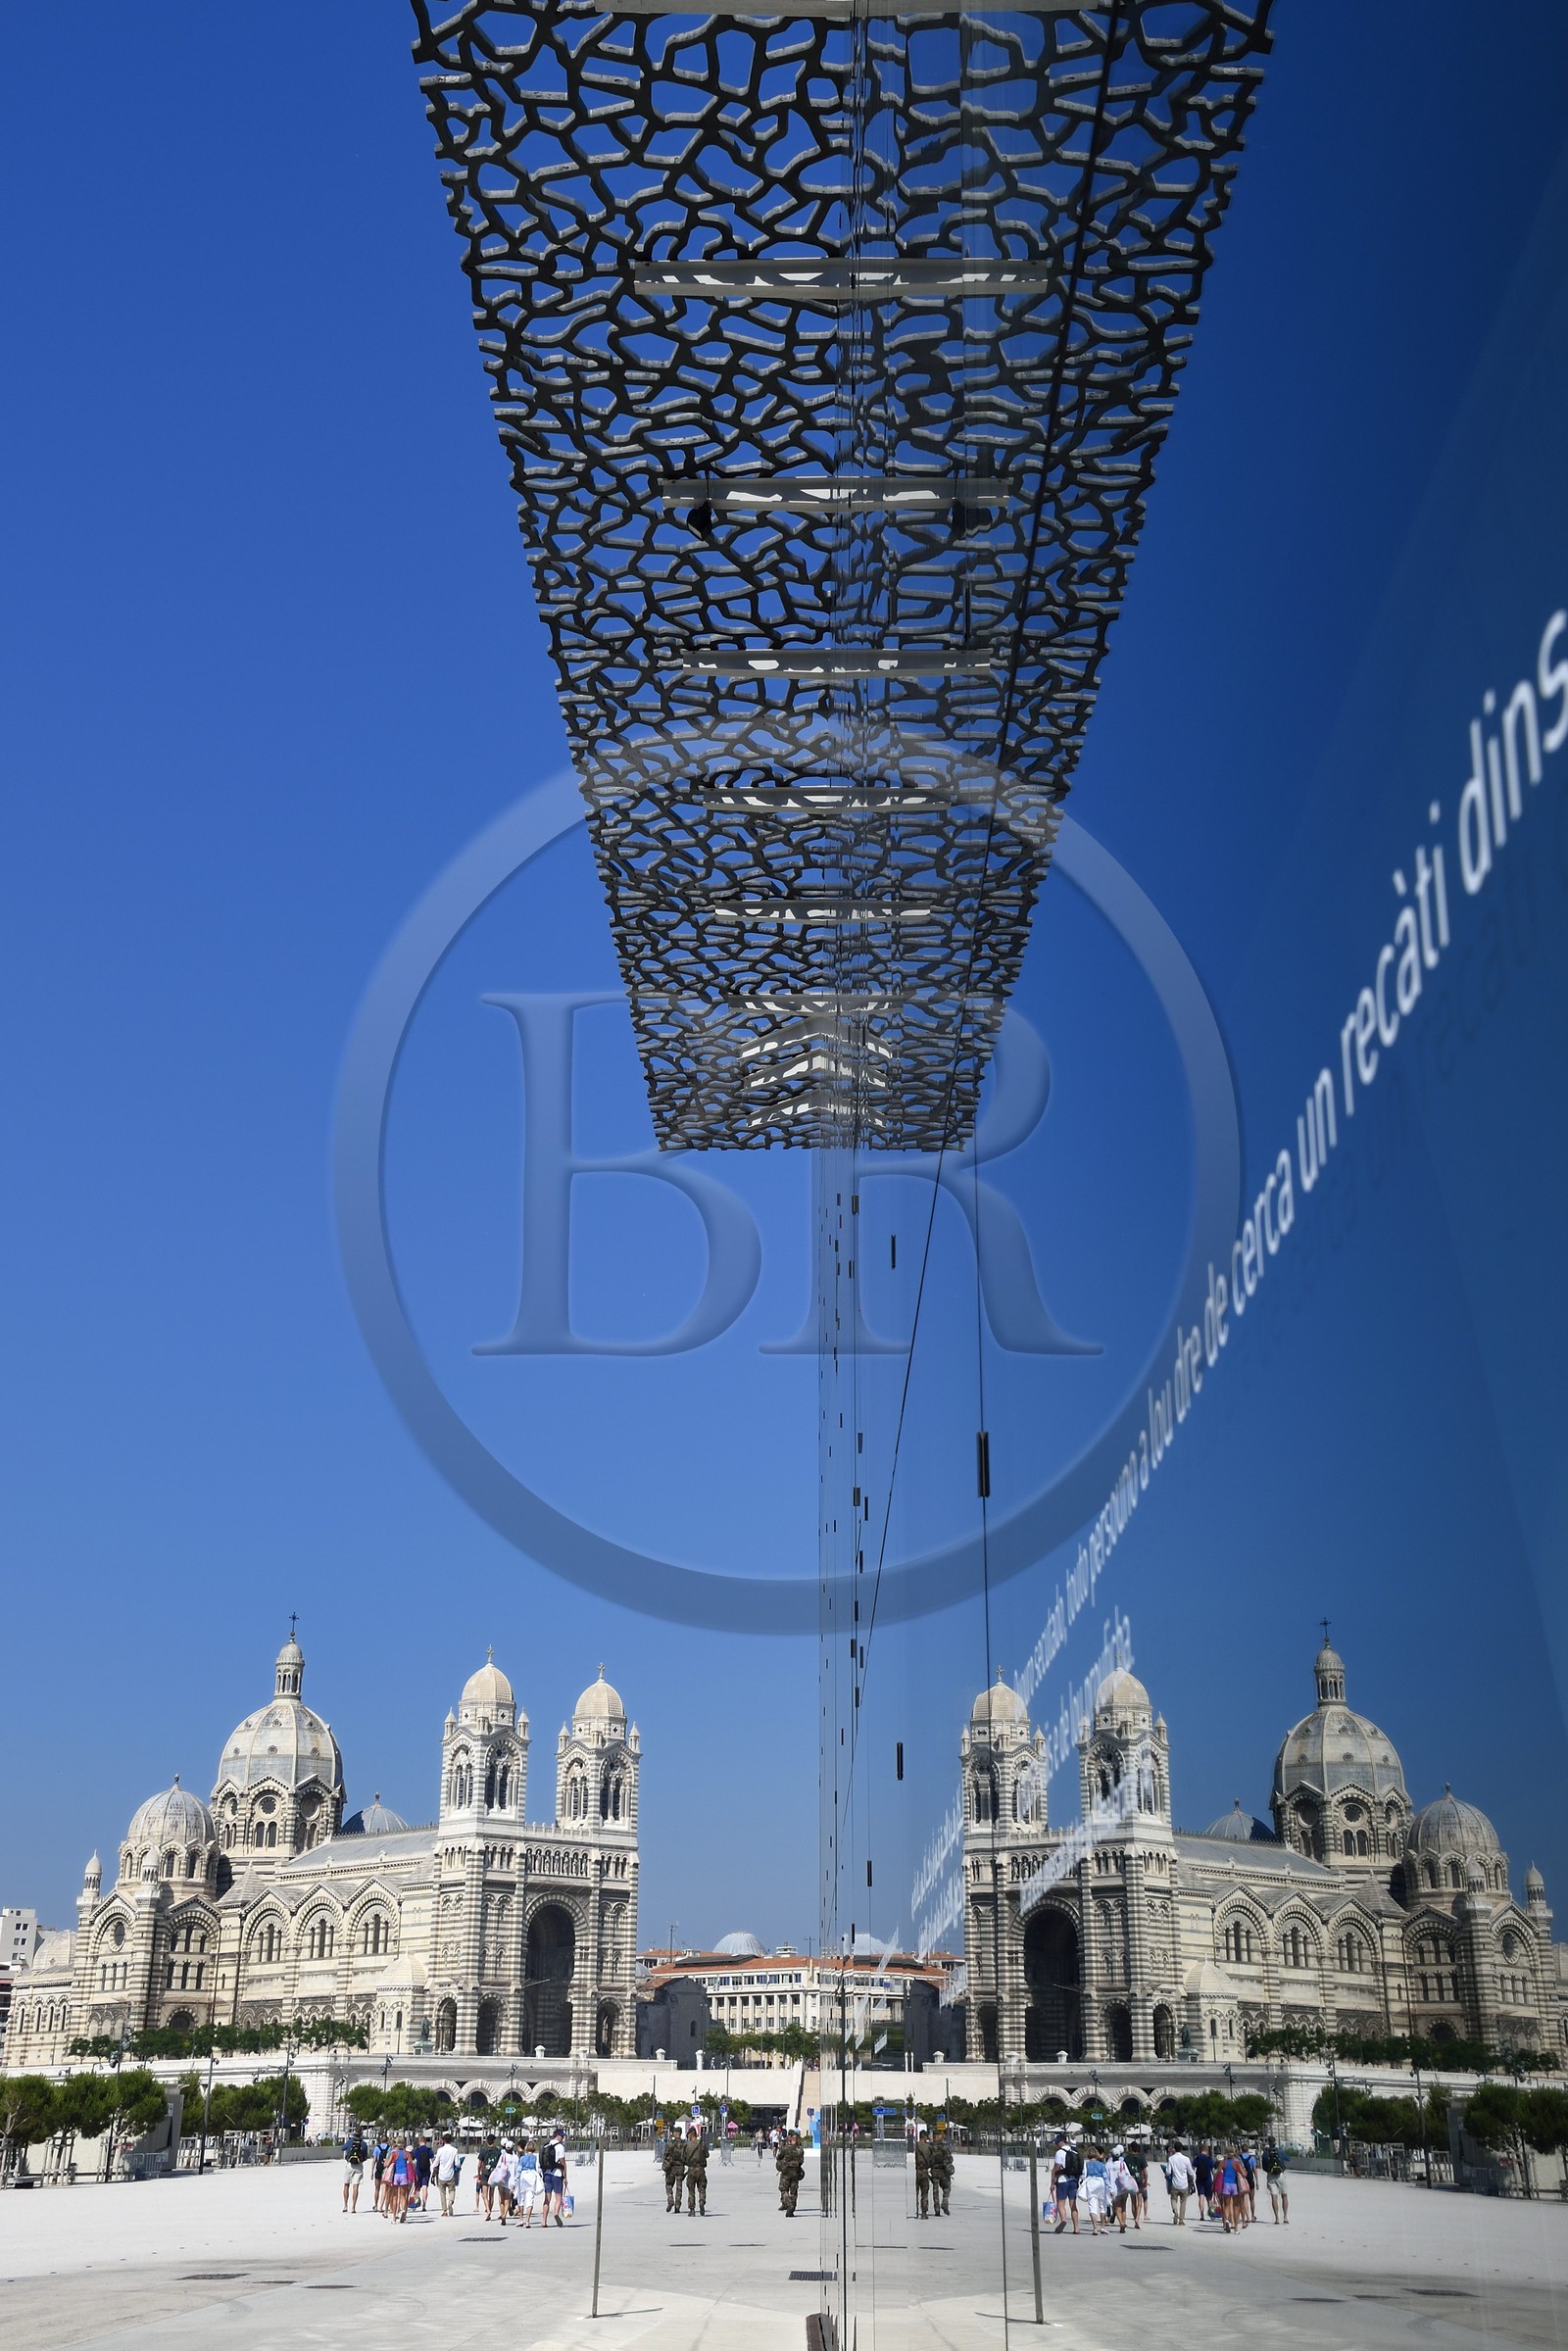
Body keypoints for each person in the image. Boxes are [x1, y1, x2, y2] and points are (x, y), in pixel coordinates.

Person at [1049, 2140, 1078, 2236]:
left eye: (1057, 2142)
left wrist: (1052, 2183)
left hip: (1062, 2180)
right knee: (1073, 2204)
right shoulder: (1075, 2151)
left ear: (1062, 2142)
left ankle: (1064, 2220)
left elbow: (1056, 2169)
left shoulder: (1060, 2153)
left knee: (1061, 2203)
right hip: (1074, 2180)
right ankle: (1076, 2228)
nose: (1056, 2144)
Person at [542, 2126, 568, 2227]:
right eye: (562, 2136)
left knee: (547, 2199)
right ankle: (556, 2214)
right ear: (558, 2135)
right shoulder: (560, 2147)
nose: (563, 2138)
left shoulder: (546, 2145)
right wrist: (565, 2177)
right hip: (557, 2174)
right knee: (558, 2198)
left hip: (547, 2174)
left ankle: (544, 2221)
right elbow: (562, 2162)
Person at [1109, 2145, 1140, 2234]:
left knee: (1117, 2207)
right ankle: (1124, 2221)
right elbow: (1127, 2174)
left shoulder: (1108, 2164)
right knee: (1124, 2207)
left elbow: (1107, 2177)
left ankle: (1121, 2223)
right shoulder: (1122, 2163)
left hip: (1115, 2188)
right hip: (1124, 2187)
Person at [1082, 2146, 1110, 2238]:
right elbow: (1106, 2177)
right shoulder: (1101, 2165)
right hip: (1100, 2182)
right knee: (1102, 2205)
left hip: (1091, 2182)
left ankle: (1095, 2228)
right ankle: (1102, 2227)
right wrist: (1109, 2188)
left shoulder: (1086, 2165)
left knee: (1092, 2206)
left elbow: (1083, 2176)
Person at [433, 2132, 463, 2217]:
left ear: (444, 2140)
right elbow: (457, 2163)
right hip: (450, 2174)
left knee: (442, 2193)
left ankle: (444, 2210)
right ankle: (450, 2202)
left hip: (442, 2174)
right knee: (452, 2190)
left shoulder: (440, 2150)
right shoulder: (454, 2150)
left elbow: (436, 2163)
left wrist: (433, 2168)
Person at [1165, 2141, 1195, 2226]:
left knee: (1173, 2199)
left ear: (1174, 2148)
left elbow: (1168, 2172)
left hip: (1175, 2184)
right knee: (1183, 2202)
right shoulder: (1186, 2159)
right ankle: (1181, 2220)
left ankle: (1175, 2211)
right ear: (1181, 2149)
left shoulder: (1171, 2159)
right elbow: (1191, 2172)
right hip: (1184, 2184)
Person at [514, 2136, 541, 2227]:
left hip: (523, 2176)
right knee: (530, 2199)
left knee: (521, 2198)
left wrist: (515, 2180)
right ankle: (528, 2221)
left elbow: (518, 2170)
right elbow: (538, 2168)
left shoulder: (522, 2158)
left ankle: (521, 2219)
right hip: (532, 2176)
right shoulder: (535, 2158)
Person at [778, 2130, 805, 2217]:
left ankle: (789, 2204)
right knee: (793, 2191)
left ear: (790, 2139)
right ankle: (791, 2209)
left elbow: (779, 2157)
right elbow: (801, 2161)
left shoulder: (785, 2148)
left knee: (784, 2190)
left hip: (786, 2172)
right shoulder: (800, 2150)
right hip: (795, 2172)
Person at [342, 2126, 368, 2214]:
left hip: (349, 2165)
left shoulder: (350, 2141)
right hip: (359, 2166)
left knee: (346, 2185)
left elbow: (342, 2148)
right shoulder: (364, 2144)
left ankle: (345, 2205)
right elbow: (365, 2156)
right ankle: (353, 2207)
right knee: (355, 2186)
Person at [663, 2127, 688, 2213]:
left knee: (669, 2185)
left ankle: (670, 2199)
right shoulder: (685, 2144)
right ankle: (677, 2206)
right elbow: (687, 2156)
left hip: (671, 2168)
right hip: (680, 2168)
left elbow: (665, 2155)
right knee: (679, 2188)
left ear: (675, 2133)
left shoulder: (670, 2144)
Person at [1263, 2141, 1289, 2225]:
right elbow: (1288, 2158)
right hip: (1280, 2175)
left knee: (1274, 2197)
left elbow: (1264, 2166)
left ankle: (1277, 2218)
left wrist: (1269, 2170)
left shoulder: (1266, 2152)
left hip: (1271, 2175)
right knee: (1284, 2195)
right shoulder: (1280, 2151)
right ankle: (1285, 2217)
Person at [477, 2130, 501, 2218]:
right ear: (493, 2141)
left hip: (485, 2173)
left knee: (484, 2194)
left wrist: (478, 2174)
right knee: (491, 2194)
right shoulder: (498, 2151)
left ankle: (488, 2210)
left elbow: (479, 2164)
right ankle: (489, 2209)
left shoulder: (483, 2150)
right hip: (494, 2173)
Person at [491, 2140, 514, 2225]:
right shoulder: (515, 2158)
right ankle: (504, 2214)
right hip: (510, 2181)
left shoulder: (503, 2156)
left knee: (501, 2199)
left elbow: (498, 2167)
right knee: (507, 2199)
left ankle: (502, 2214)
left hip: (501, 2180)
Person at [930, 2131, 953, 2218]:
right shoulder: (944, 2147)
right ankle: (945, 2201)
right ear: (939, 2137)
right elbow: (950, 2159)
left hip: (934, 2171)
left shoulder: (930, 2147)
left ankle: (937, 2210)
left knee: (935, 2191)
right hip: (943, 2171)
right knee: (947, 2187)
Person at [686, 2128, 709, 2216]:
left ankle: (692, 2210)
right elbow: (707, 2155)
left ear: (691, 2134)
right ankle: (702, 2201)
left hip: (691, 2170)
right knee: (702, 2188)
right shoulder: (702, 2144)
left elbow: (684, 2157)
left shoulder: (687, 2145)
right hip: (701, 2170)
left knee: (691, 2190)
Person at [1193, 2145, 1214, 2220]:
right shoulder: (1209, 2159)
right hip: (1208, 2179)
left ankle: (1202, 2215)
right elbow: (1213, 2170)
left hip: (1199, 2179)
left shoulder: (1197, 2158)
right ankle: (1212, 2215)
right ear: (1207, 2150)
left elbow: (1193, 2168)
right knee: (1209, 2198)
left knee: (1201, 2197)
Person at [913, 2128, 931, 2220]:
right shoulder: (928, 2147)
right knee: (924, 2193)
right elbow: (930, 2158)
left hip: (917, 2171)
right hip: (924, 2171)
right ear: (924, 2137)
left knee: (917, 2192)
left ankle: (916, 2210)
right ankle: (924, 2213)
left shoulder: (916, 2145)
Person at [413, 2134, 433, 2212]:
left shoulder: (416, 2150)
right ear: (425, 2142)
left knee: (417, 2188)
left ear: (419, 2142)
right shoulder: (429, 2150)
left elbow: (414, 2160)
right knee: (425, 2187)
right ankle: (424, 2205)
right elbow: (432, 2160)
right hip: (426, 2170)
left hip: (418, 2170)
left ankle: (416, 2203)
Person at [371, 2134, 390, 2213]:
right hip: (386, 2169)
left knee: (377, 2189)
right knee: (385, 2189)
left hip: (378, 2169)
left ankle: (376, 2205)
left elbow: (374, 2160)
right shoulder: (389, 2148)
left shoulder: (377, 2148)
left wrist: (372, 2172)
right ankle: (383, 2206)